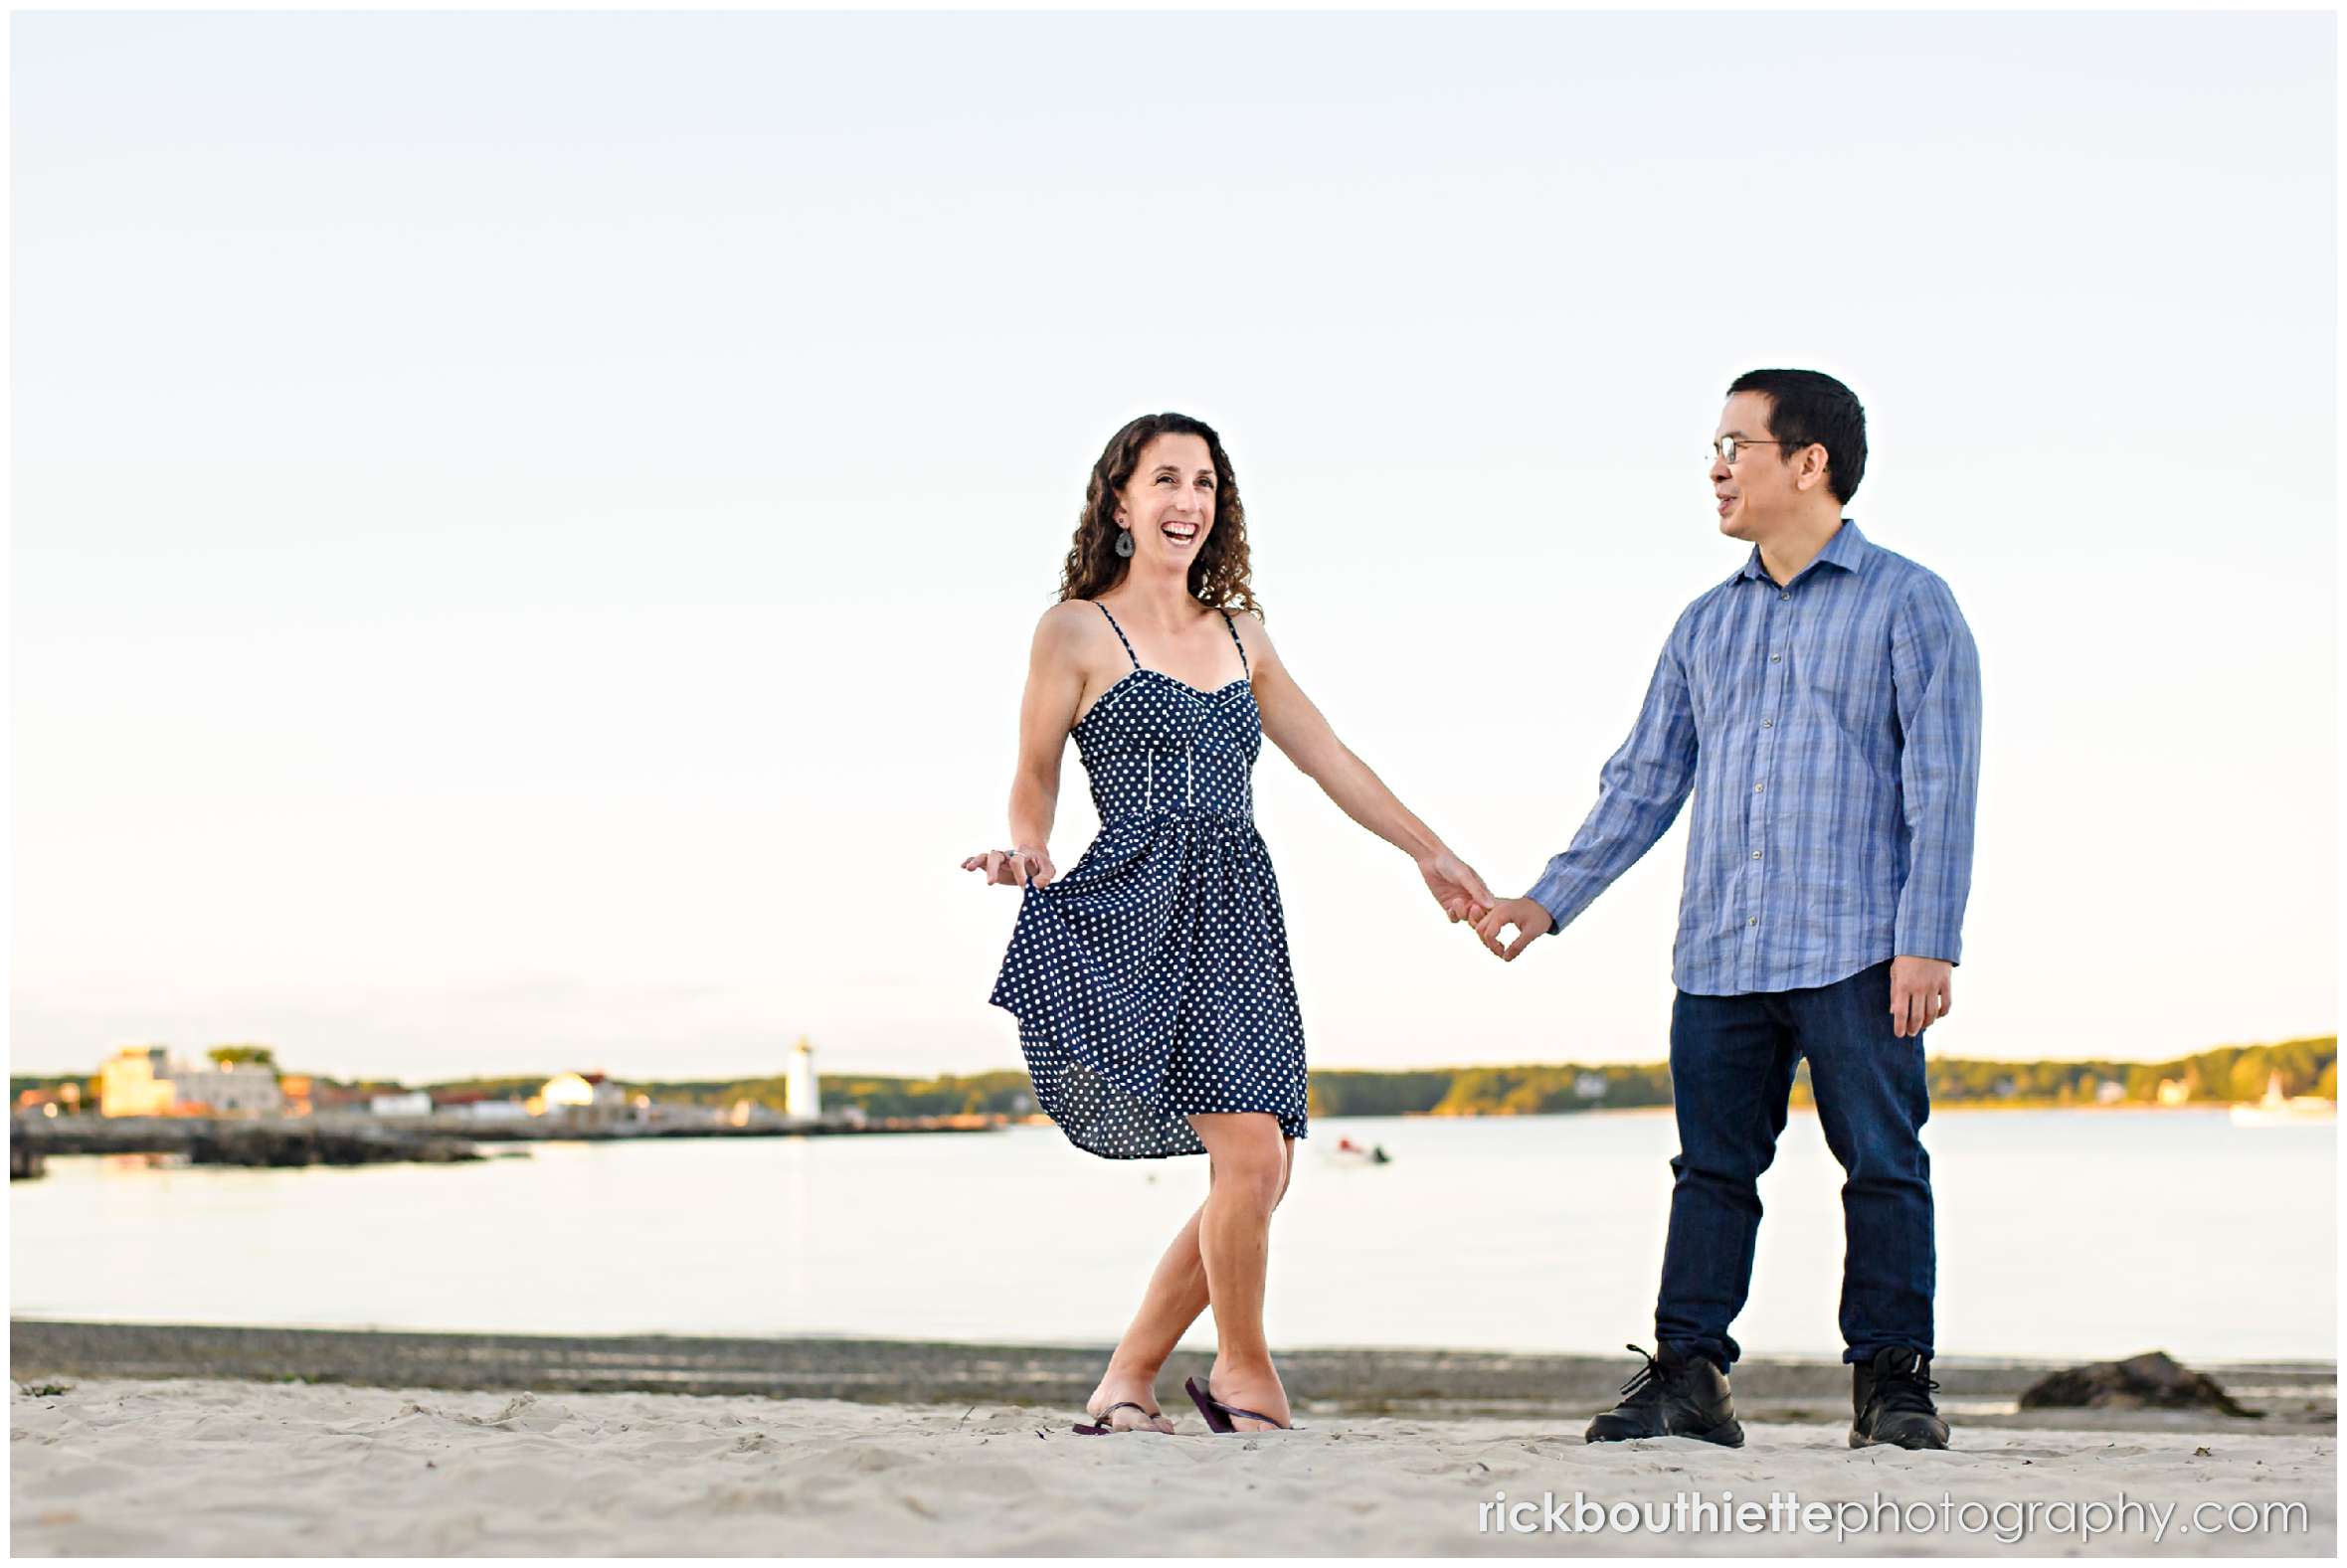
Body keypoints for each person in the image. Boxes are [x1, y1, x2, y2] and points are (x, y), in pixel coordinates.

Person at [1474, 370, 1981, 1451]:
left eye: (1734, 443)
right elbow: (1643, 783)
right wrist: (1545, 899)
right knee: (1710, 1172)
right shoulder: (1702, 625)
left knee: (1883, 1165)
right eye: (1713, 444)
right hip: (1720, 953)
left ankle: (1891, 1383)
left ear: (1809, 462)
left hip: (1858, 949)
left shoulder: (1907, 601)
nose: (1713, 465)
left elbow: (1941, 780)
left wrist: (1927, 939)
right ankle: (1687, 1375)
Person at [966, 412, 1495, 1436]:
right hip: (1136, 899)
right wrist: (1026, 845)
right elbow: (1032, 773)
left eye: (1203, 481)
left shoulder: (1242, 631)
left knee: (1264, 1163)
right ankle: (1246, 1375)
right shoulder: (1073, 629)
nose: (1188, 500)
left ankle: (1127, 1374)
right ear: (1119, 499)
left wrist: (1430, 851)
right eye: (1165, 479)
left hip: (1238, 903)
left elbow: (1328, 756)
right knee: (1250, 1155)